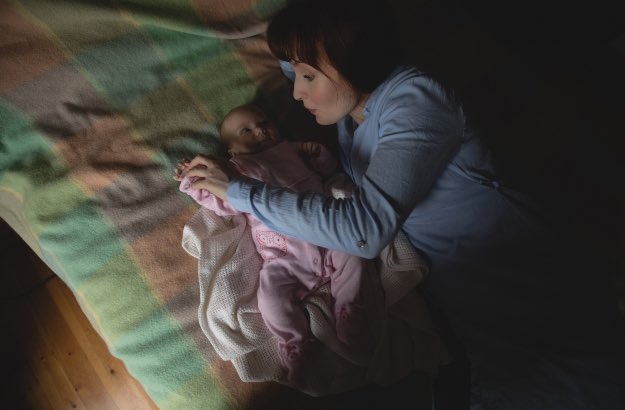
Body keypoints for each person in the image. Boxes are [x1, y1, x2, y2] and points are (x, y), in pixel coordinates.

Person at [178, 0, 625, 408]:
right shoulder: (351, 112)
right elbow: (299, 62)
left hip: (516, 285)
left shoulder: (416, 99)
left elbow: (364, 231)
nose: (295, 92)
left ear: (349, 55)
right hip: (456, 316)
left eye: (308, 76)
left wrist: (237, 190)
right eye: (297, 74)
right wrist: (296, 46)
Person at [175, 104, 371, 381]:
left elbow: (328, 170)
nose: (260, 130)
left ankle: (348, 310)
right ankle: (295, 343)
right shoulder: (235, 169)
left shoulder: (292, 149)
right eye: (247, 131)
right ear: (232, 150)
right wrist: (194, 177)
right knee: (270, 293)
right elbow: (219, 201)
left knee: (353, 253)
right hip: (284, 255)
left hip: (324, 231)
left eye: (264, 122)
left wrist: (318, 155)